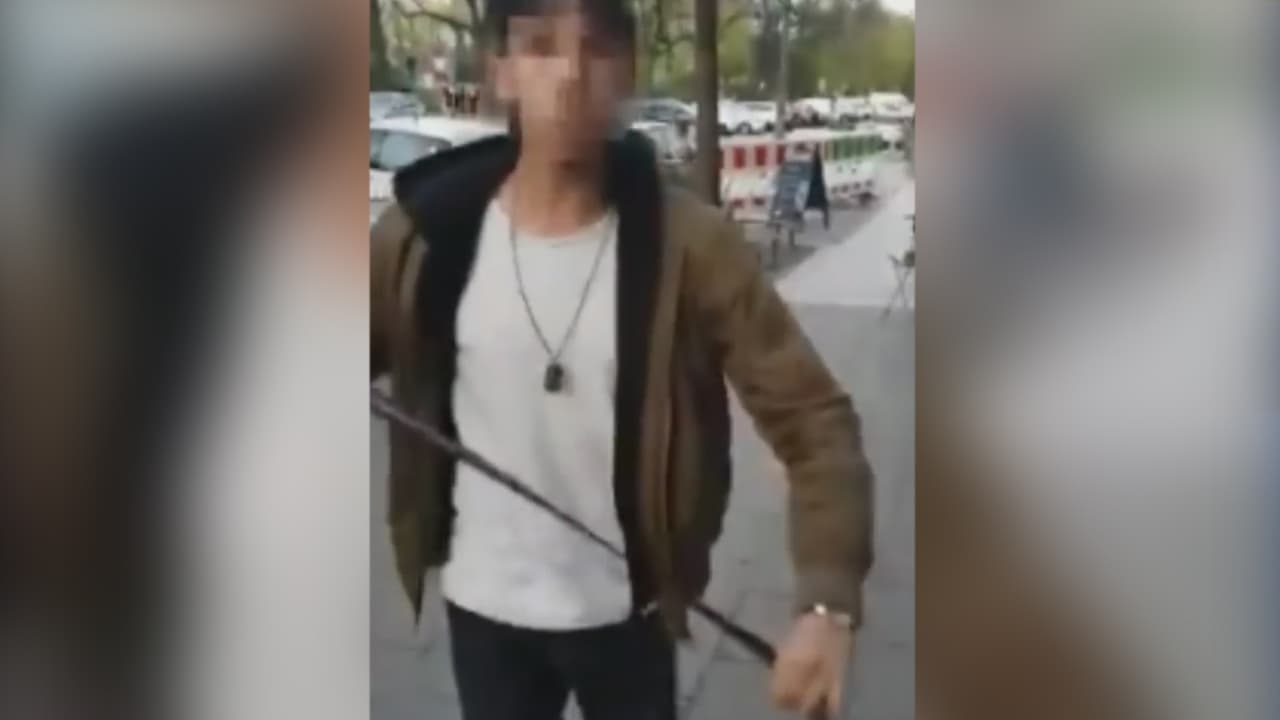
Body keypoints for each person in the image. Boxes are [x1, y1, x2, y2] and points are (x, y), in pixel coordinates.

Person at [370, 1, 873, 718]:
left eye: (598, 48)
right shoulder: (426, 234)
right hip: (482, 610)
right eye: (541, 46)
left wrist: (827, 606)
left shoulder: (692, 246)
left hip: (633, 611)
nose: (571, 73)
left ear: (629, 74)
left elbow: (815, 421)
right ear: (501, 73)